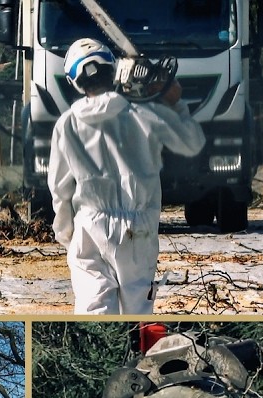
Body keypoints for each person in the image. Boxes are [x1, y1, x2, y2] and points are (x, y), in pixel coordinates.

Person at [48, 39, 206, 314]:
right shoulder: (142, 113)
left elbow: (59, 188)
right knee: (137, 314)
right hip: (138, 228)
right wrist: (175, 103)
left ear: (74, 82)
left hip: (89, 225)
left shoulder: (66, 124)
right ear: (113, 71)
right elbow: (192, 142)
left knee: (93, 308)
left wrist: (67, 234)